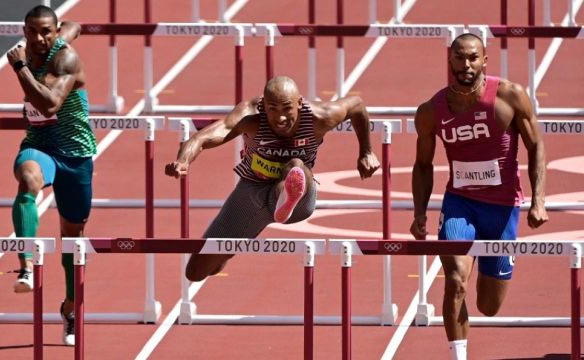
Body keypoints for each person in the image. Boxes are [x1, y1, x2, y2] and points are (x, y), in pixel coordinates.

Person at [410, 33, 548, 360]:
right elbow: (422, 164)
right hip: (460, 204)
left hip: (502, 209)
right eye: (460, 58)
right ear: (450, 61)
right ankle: (459, 356)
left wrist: (538, 200)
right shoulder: (432, 110)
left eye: (473, 57)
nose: (466, 64)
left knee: (488, 305)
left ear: (484, 60)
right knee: (455, 280)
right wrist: (419, 212)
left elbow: (537, 146)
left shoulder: (510, 97)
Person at [165, 75, 381, 282]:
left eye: (287, 108)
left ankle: (286, 195)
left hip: (300, 198)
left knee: (296, 167)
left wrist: (366, 151)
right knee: (197, 271)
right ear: (263, 106)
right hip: (251, 192)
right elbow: (204, 137)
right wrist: (183, 161)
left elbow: (357, 105)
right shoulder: (250, 116)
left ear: (299, 103)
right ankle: (242, 237)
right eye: (272, 109)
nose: (280, 117)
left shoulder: (320, 116)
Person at [6, 5, 95, 347]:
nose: (41, 39)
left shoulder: (66, 59)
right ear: (25, 31)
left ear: (56, 33)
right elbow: (73, 24)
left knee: (72, 238)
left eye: (48, 32)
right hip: (40, 144)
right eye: (34, 32)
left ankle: (70, 308)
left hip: (75, 153)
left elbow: (49, 105)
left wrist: (20, 68)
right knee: (28, 179)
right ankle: (26, 264)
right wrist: (65, 27)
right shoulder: (38, 42)